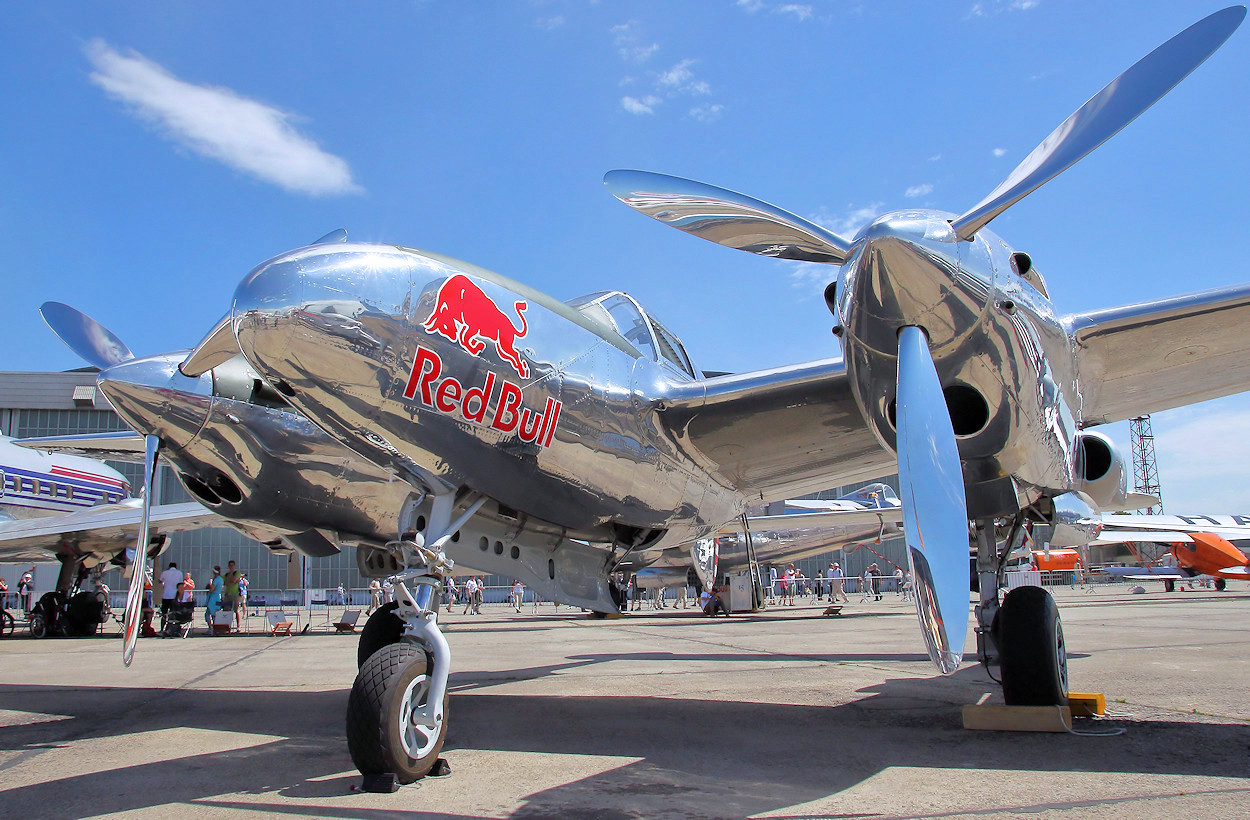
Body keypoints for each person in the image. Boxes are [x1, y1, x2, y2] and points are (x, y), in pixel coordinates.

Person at [158, 561, 182, 629]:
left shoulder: (165, 572)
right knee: (173, 612)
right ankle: (171, 627)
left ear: (169, 567)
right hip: (175, 595)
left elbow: (160, 580)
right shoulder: (179, 573)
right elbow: (180, 583)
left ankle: (162, 628)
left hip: (166, 595)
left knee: (164, 613)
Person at [222, 560, 243, 630]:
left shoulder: (237, 573)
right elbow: (225, 583)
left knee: (236, 610)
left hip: (235, 594)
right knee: (227, 610)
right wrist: (232, 581)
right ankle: (227, 626)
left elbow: (234, 580)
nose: (231, 567)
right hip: (227, 594)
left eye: (232, 565)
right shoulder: (226, 574)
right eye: (230, 565)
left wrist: (232, 581)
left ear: (234, 566)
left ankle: (238, 625)